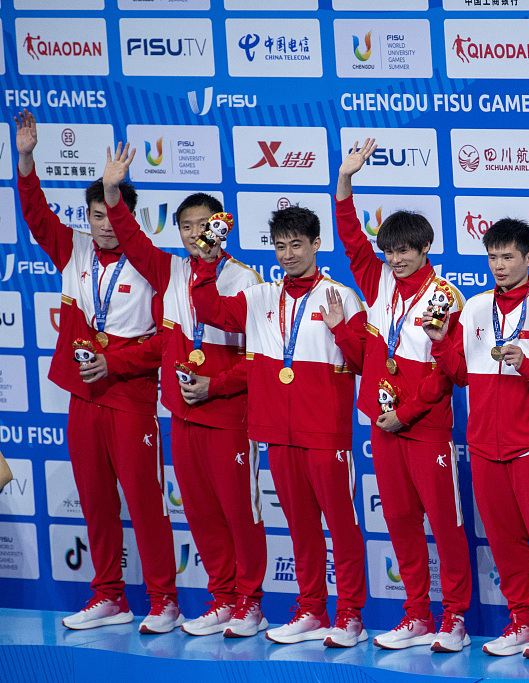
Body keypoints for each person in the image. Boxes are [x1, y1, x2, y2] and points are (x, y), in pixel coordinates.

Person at [14, 111, 179, 633]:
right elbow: (37, 216)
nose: (102, 224)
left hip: (130, 400)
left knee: (146, 504)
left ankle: (164, 602)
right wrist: (25, 159)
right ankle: (109, 596)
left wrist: (116, 362)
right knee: (96, 504)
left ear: (128, 215)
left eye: (110, 214)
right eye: (95, 215)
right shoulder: (74, 250)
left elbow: (162, 347)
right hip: (83, 399)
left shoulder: (155, 266)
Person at [102, 144, 268, 638]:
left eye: (205, 224)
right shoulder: (170, 271)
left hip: (229, 416)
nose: (197, 233)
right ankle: (221, 598)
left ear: (222, 226)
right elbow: (131, 241)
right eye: (187, 226)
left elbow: (258, 363)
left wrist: (213, 385)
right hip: (183, 416)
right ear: (178, 232)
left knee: (241, 513)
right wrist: (113, 192)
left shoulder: (245, 281)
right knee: (200, 513)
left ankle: (250, 603)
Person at [190, 202, 369, 648]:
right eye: (280, 246)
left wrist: (340, 329)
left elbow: (365, 360)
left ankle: (349, 615)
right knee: (300, 527)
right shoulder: (260, 297)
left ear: (316, 245)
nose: (287, 254)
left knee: (341, 526)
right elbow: (209, 308)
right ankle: (311, 608)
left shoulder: (341, 297)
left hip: (325, 435)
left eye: (297, 245)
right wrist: (209, 260)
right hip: (277, 433)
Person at [335, 139, 472, 654]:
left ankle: (453, 617)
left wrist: (407, 414)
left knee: (444, 524)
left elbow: (446, 375)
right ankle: (416, 613)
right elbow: (351, 240)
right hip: (381, 425)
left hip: (424, 428)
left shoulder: (445, 298)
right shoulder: (378, 284)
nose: (394, 259)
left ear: (424, 249)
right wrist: (346, 181)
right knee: (399, 522)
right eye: (389, 250)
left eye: (404, 251)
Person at [423, 218, 529, 659]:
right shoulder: (472, 308)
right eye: (493, 257)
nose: (499, 265)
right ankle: (522, 620)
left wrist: (525, 364)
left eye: (508, 257)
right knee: (504, 542)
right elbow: (462, 375)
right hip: (485, 446)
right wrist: (439, 343)